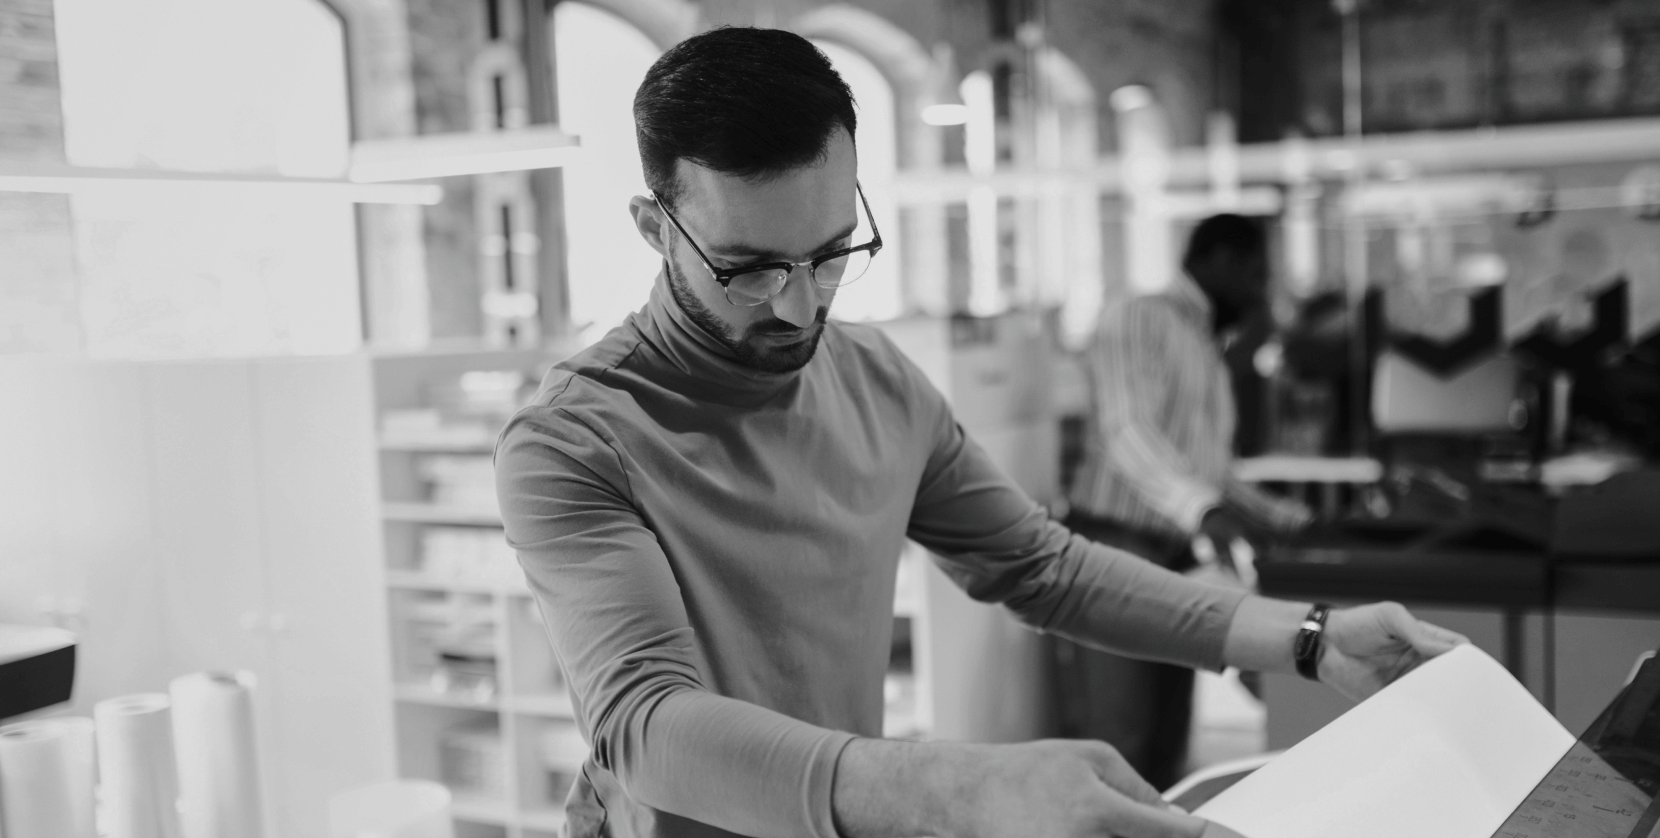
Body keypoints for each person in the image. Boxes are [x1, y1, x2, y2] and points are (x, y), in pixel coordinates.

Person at [495, 27, 1464, 838]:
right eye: (747, 269)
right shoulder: (575, 439)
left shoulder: (876, 380)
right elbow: (646, 722)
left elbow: (1044, 566)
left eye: (829, 255)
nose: (799, 307)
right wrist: (956, 790)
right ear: (654, 227)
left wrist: (1309, 638)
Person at [1058, 214, 1318, 787]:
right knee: (1121, 741)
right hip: (1115, 547)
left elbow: (1209, 472)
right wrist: (1203, 510)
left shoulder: (1205, 343)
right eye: (1255, 275)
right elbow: (1127, 430)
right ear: (1219, 260)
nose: (1259, 293)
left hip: (1172, 553)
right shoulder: (1139, 315)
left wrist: (1290, 520)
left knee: (1168, 738)